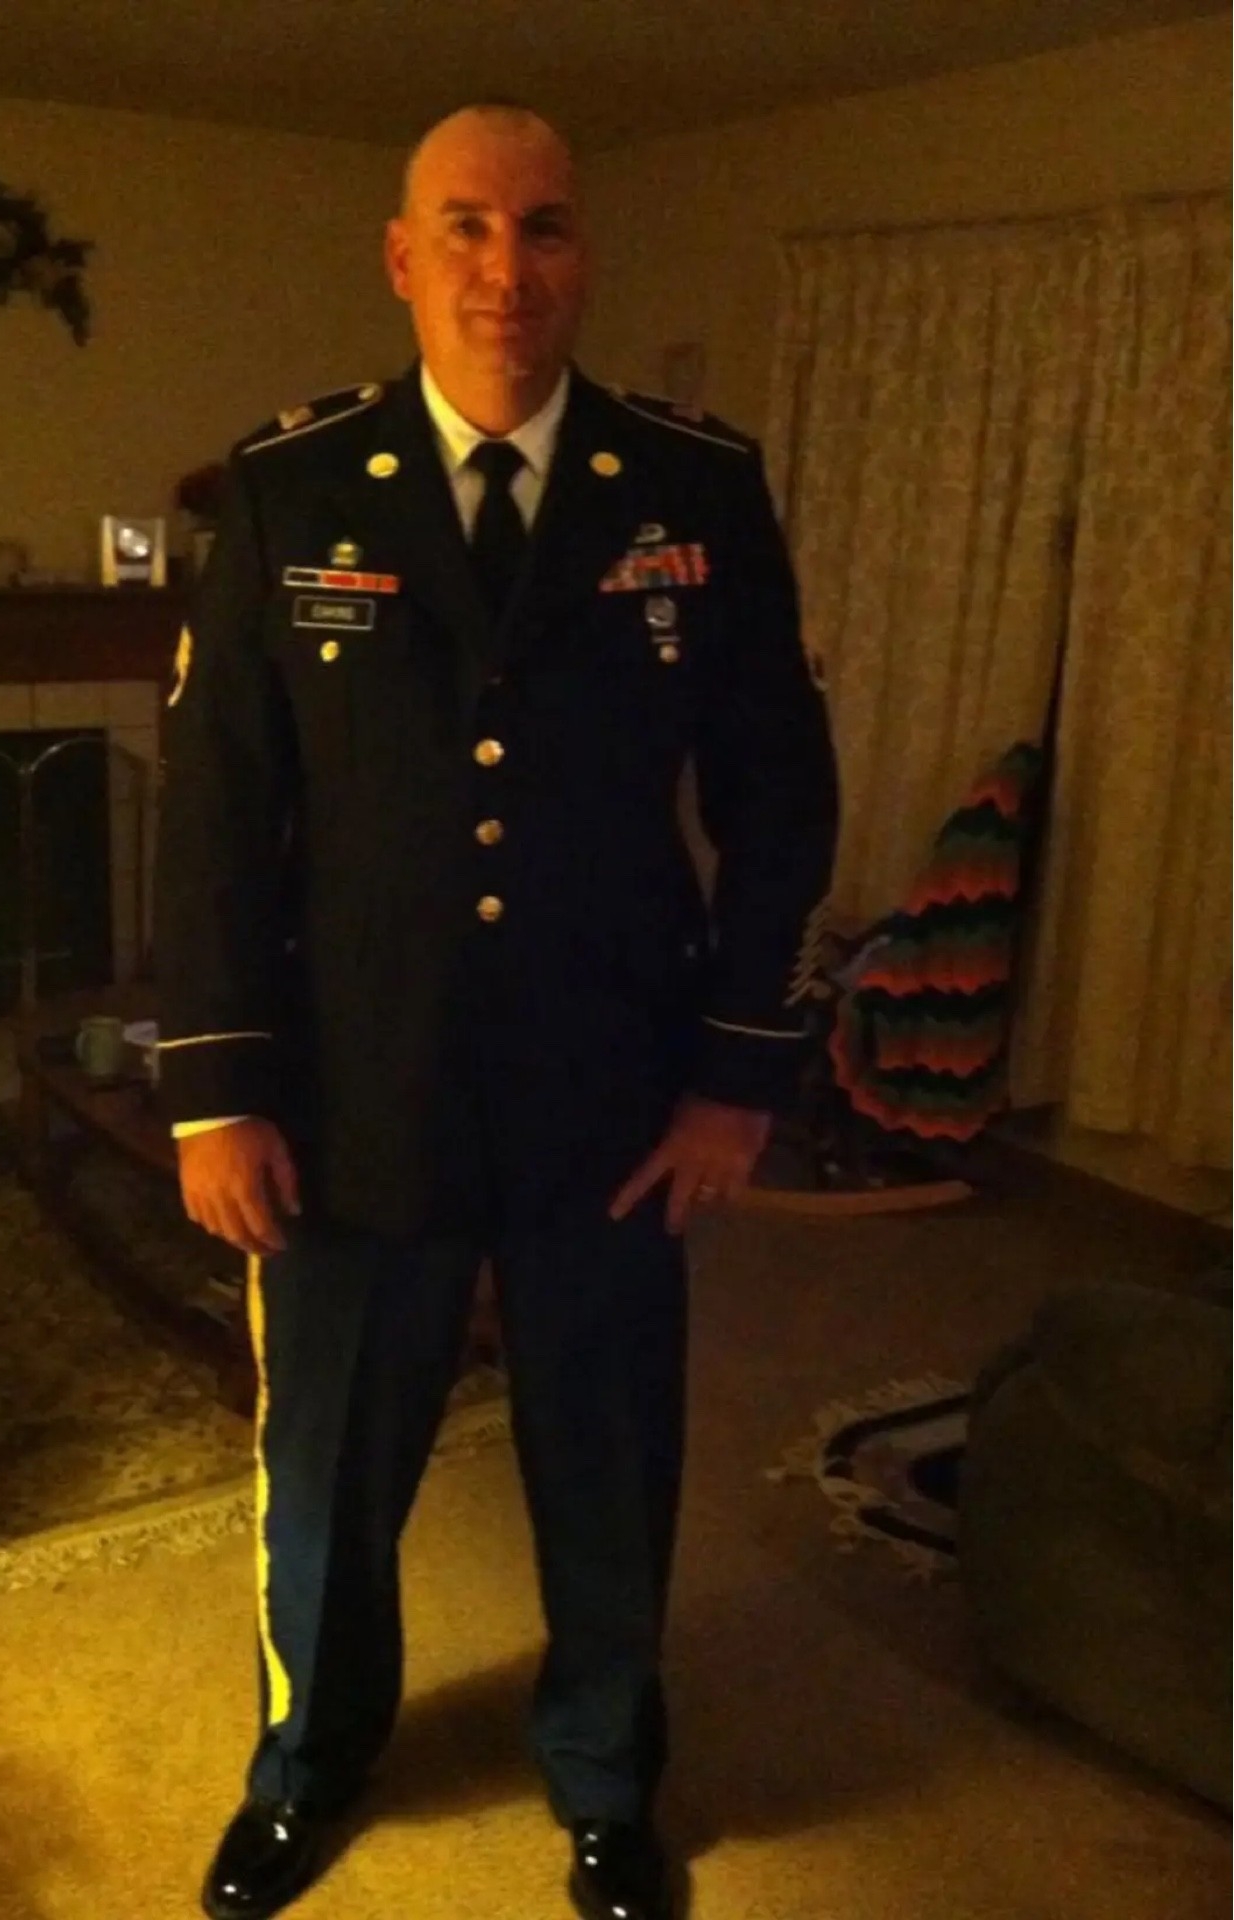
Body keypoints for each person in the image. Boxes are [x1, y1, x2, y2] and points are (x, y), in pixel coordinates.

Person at [155, 101, 839, 1920]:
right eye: (463, 225)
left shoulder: (691, 488)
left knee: (606, 1464)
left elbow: (779, 799)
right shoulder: (292, 486)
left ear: (581, 257)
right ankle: (311, 1764)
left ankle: (607, 1778)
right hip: (351, 1088)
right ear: (401, 256)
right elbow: (216, 809)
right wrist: (214, 1089)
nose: (503, 268)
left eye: (542, 228)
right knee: (326, 1479)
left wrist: (736, 1080)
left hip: (611, 1088)